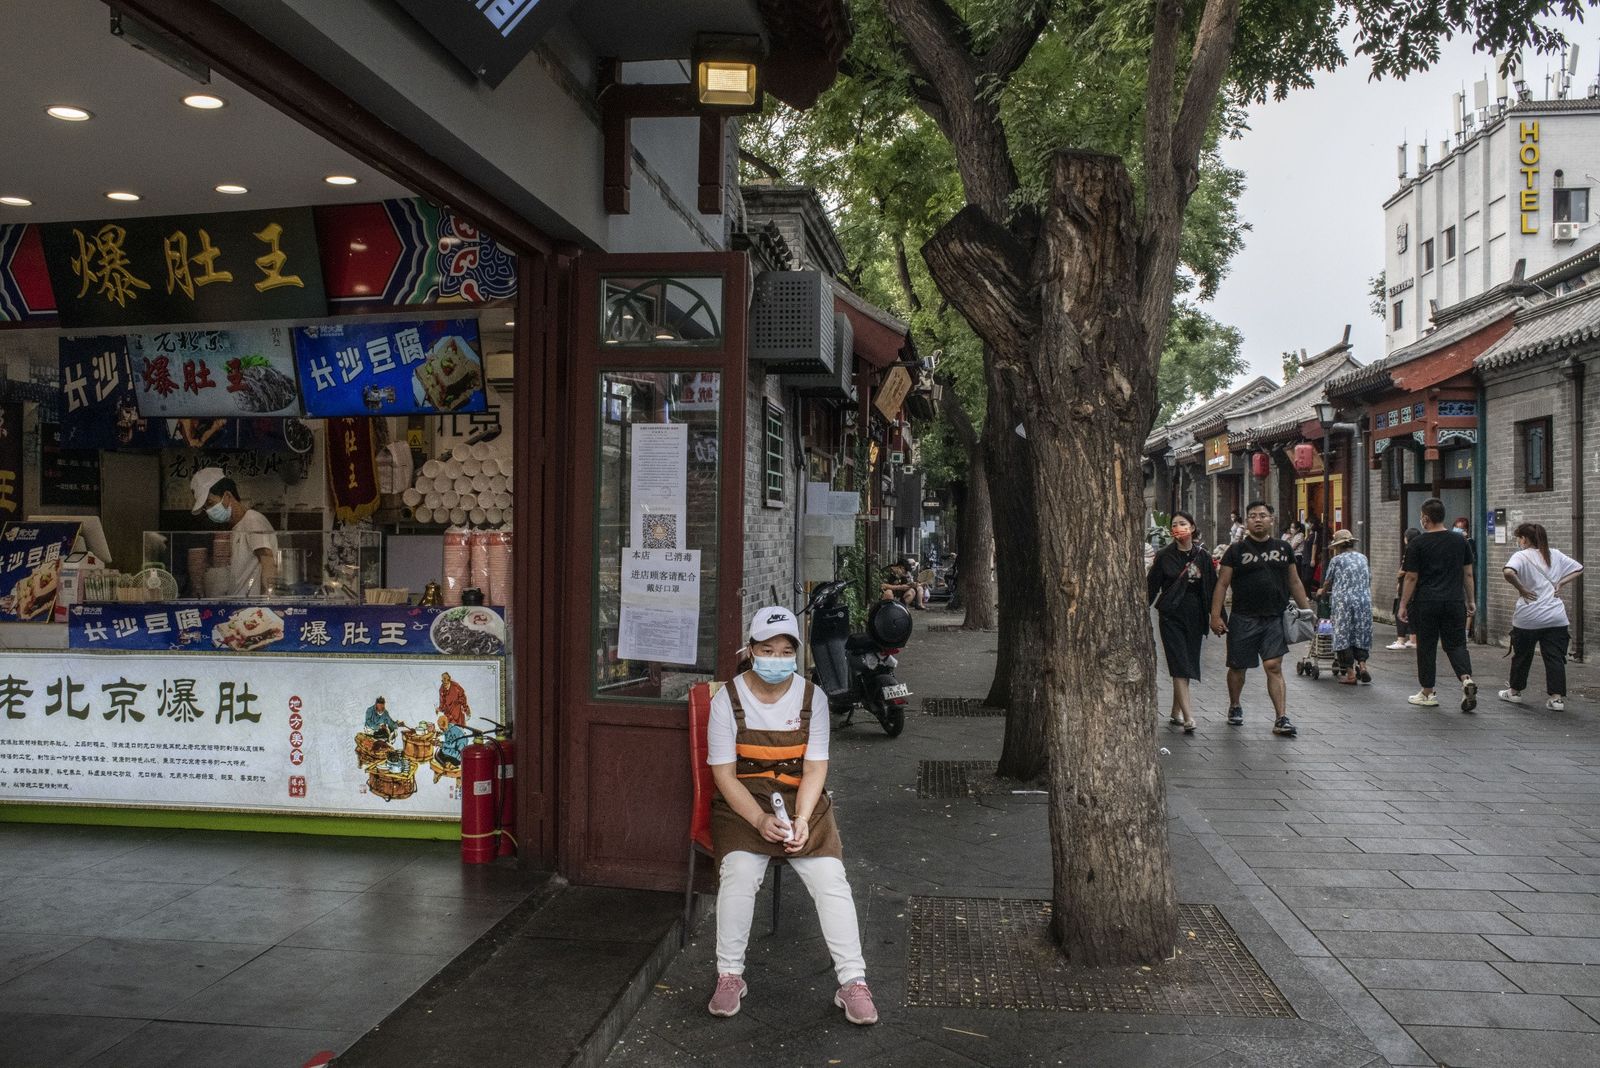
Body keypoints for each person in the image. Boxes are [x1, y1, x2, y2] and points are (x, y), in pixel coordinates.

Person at [705, 606, 877, 1025]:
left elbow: (816, 766)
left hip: (802, 798)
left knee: (829, 878)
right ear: (750, 650)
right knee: (741, 873)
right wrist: (760, 821)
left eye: (786, 651)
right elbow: (724, 775)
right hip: (743, 802)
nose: (777, 659)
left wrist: (801, 819)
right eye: (768, 649)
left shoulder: (811, 697)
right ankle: (730, 975)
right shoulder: (726, 699)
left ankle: (853, 981)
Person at [1210, 501, 1312, 737]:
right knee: (1238, 667)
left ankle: (1281, 718)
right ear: (1246, 521)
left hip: (1274, 618)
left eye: (1263, 515)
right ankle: (1235, 705)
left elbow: (1294, 582)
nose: (1258, 519)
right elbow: (1222, 583)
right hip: (1242, 618)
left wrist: (1307, 614)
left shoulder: (1284, 548)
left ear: (1272, 520)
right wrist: (1215, 616)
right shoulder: (1235, 551)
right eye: (1253, 516)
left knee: (1273, 666)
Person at [1398, 497, 1478, 711]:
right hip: (1453, 601)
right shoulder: (1460, 541)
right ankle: (1466, 679)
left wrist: (1403, 604)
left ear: (1425, 518)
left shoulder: (1417, 543)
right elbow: (1468, 574)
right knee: (1456, 644)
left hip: (1427, 602)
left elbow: (1411, 578)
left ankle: (1427, 692)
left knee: (1426, 647)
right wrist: (1471, 600)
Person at [1499, 522, 1584, 711]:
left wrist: (1521, 589)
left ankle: (1514, 692)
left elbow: (1508, 572)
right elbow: (1579, 568)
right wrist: (1560, 583)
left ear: (1525, 539)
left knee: (1522, 655)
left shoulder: (1521, 556)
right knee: (1555, 657)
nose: (1518, 542)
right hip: (1556, 617)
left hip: (1528, 616)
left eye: (1519, 538)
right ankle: (1556, 698)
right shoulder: (1555, 554)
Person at [1147, 511, 1215, 732]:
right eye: (1174, 525)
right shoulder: (1165, 556)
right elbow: (1151, 586)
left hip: (1195, 615)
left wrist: (1218, 616)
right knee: (1180, 665)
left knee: (1188, 662)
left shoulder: (1202, 557)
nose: (1178, 528)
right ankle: (1189, 717)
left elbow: (1212, 588)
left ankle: (1176, 712)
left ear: (1192, 527)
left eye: (1182, 524)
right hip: (1171, 615)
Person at [190, 466, 278, 596]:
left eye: (210, 503)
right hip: (242, 606)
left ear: (227, 496)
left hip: (255, 608)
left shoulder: (252, 520)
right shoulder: (237, 526)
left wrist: (267, 600)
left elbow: (268, 561)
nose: (208, 511)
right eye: (205, 508)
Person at [1319, 529, 1373, 684]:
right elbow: (1368, 578)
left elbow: (1328, 582)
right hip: (1363, 600)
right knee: (1360, 633)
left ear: (1338, 545)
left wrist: (1322, 593)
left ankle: (1350, 674)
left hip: (1343, 601)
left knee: (1343, 635)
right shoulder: (1363, 558)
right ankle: (1362, 666)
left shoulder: (1337, 560)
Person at [1387, 527, 1422, 649]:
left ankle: (1400, 640)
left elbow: (1405, 570)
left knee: (1400, 611)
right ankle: (1413, 639)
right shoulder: (1421, 549)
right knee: (1412, 613)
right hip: (1417, 588)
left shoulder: (1410, 550)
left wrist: (1399, 575)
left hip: (1407, 587)